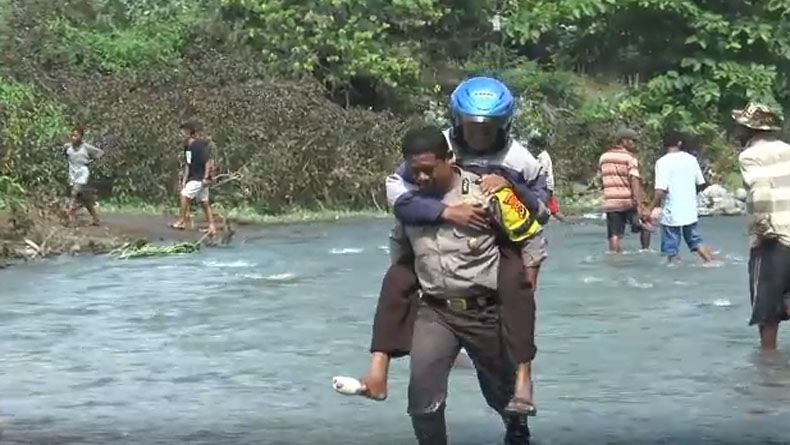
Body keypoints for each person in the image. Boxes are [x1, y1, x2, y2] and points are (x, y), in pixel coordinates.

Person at [346, 77, 547, 413]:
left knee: (518, 287)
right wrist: (447, 212)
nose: (479, 135)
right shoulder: (433, 149)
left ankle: (523, 379)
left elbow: (539, 211)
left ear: (503, 124)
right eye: (472, 127)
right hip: (436, 244)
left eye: (488, 128)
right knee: (396, 280)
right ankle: (378, 371)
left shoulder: (518, 158)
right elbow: (398, 196)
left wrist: (509, 187)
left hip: (501, 231)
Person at [389, 125, 533, 444]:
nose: (421, 177)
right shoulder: (408, 200)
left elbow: (530, 239)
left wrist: (522, 299)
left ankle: (517, 433)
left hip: (485, 310)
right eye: (415, 171)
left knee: (503, 394)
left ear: (448, 159)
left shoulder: (486, 192)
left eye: (428, 169)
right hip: (435, 310)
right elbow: (399, 252)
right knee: (422, 399)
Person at [732, 103, 790, 351]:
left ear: (750, 129)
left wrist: (763, 227)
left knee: (766, 309)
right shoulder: (787, 150)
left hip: (774, 238)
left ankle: (768, 361)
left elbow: (761, 190)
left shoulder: (750, 156)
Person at [645, 131, 714, 263]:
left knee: (671, 249)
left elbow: (660, 190)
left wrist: (649, 209)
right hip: (690, 210)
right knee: (695, 241)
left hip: (672, 211)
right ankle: (710, 262)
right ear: (680, 143)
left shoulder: (662, 162)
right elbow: (700, 182)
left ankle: (674, 270)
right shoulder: (691, 159)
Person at [598, 128, 651, 253]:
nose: (635, 144)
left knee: (614, 234)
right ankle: (645, 251)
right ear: (624, 141)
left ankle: (615, 255)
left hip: (611, 202)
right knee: (646, 224)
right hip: (628, 201)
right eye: (633, 141)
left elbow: (601, 178)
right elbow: (634, 181)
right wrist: (640, 205)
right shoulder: (630, 158)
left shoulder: (603, 157)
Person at [169, 120, 217, 236]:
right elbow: (188, 165)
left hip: (199, 178)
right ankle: (212, 227)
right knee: (204, 203)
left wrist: (206, 177)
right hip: (195, 178)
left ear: (188, 133)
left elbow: (208, 161)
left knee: (184, 195)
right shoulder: (187, 147)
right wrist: (184, 181)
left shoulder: (198, 145)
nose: (180, 135)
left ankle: (182, 221)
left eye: (182, 133)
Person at [63, 125, 104, 226]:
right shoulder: (67, 146)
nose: (74, 138)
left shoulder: (86, 147)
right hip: (73, 172)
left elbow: (100, 153)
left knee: (74, 193)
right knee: (85, 199)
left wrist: (91, 161)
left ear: (81, 137)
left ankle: (70, 219)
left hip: (83, 172)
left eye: (76, 136)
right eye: (72, 135)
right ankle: (96, 219)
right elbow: (65, 155)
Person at [530, 131, 567, 222]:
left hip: (545, 188)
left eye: (532, 145)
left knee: (551, 209)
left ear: (538, 146)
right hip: (543, 188)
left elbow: (542, 175)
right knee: (550, 210)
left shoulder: (543, 157)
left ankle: (567, 223)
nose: (531, 147)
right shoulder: (538, 156)